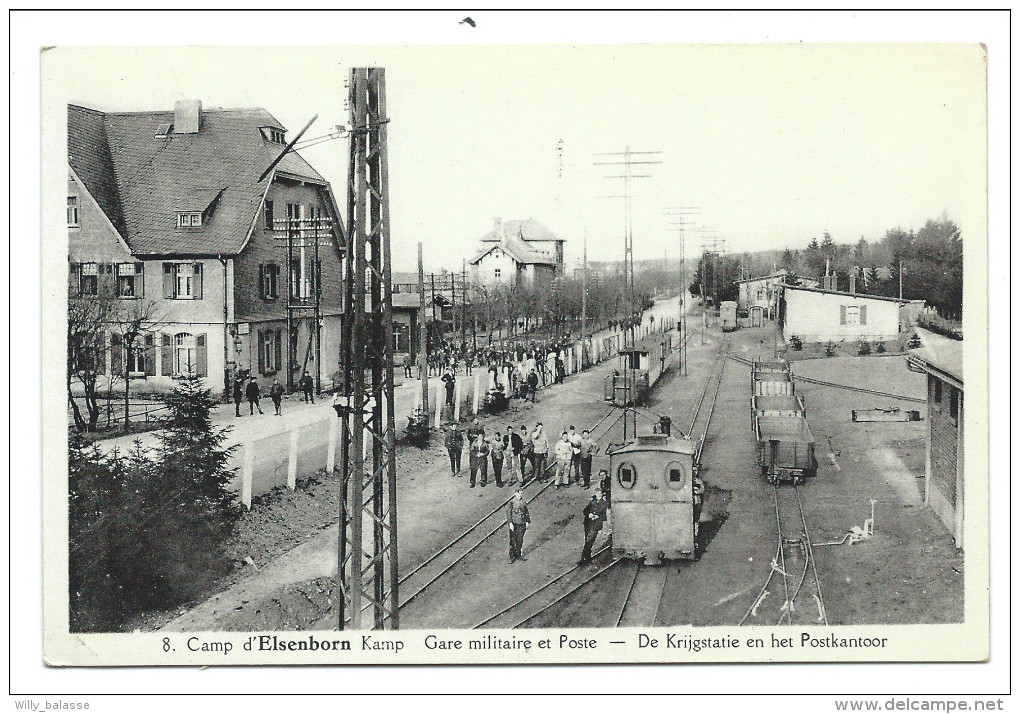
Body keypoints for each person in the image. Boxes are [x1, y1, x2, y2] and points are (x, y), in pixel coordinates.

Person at [579, 489, 608, 565]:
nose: (598, 495)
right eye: (597, 493)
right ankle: (588, 558)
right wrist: (589, 514)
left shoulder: (604, 503)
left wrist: (597, 516)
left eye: (600, 494)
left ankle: (582, 558)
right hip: (588, 523)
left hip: (595, 525)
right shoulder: (592, 501)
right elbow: (585, 510)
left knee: (589, 540)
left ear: (602, 495)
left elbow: (604, 516)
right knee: (588, 541)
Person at [506, 487, 530, 563]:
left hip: (521, 523)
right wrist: (510, 523)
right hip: (514, 524)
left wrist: (527, 522)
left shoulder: (523, 502)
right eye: (519, 493)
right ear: (515, 494)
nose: (520, 495)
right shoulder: (511, 502)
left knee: (520, 540)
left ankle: (518, 555)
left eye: (521, 493)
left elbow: (526, 512)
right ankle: (512, 556)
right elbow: (509, 513)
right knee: (513, 540)